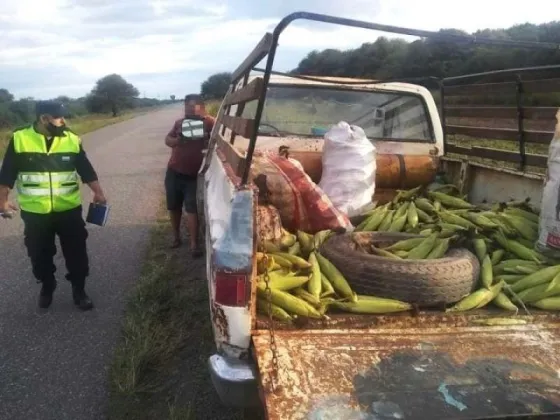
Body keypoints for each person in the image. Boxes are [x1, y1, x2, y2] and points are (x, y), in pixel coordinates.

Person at [0, 100, 107, 310]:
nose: (64, 121)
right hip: (35, 212)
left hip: (68, 209)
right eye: (59, 118)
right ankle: (47, 283)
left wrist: (99, 192)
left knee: (76, 252)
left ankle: (79, 290)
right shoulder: (20, 139)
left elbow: (85, 168)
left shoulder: (72, 139)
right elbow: (7, 174)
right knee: (38, 254)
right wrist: (2, 201)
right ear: (44, 119)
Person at [164, 94, 215, 256]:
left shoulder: (210, 123)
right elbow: (167, 140)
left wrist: (206, 137)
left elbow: (220, 140)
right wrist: (178, 140)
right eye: (186, 107)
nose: (188, 110)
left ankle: (194, 244)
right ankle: (176, 237)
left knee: (191, 208)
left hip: (194, 176)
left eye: (192, 107)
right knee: (173, 207)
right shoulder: (179, 123)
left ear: (202, 107)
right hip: (174, 171)